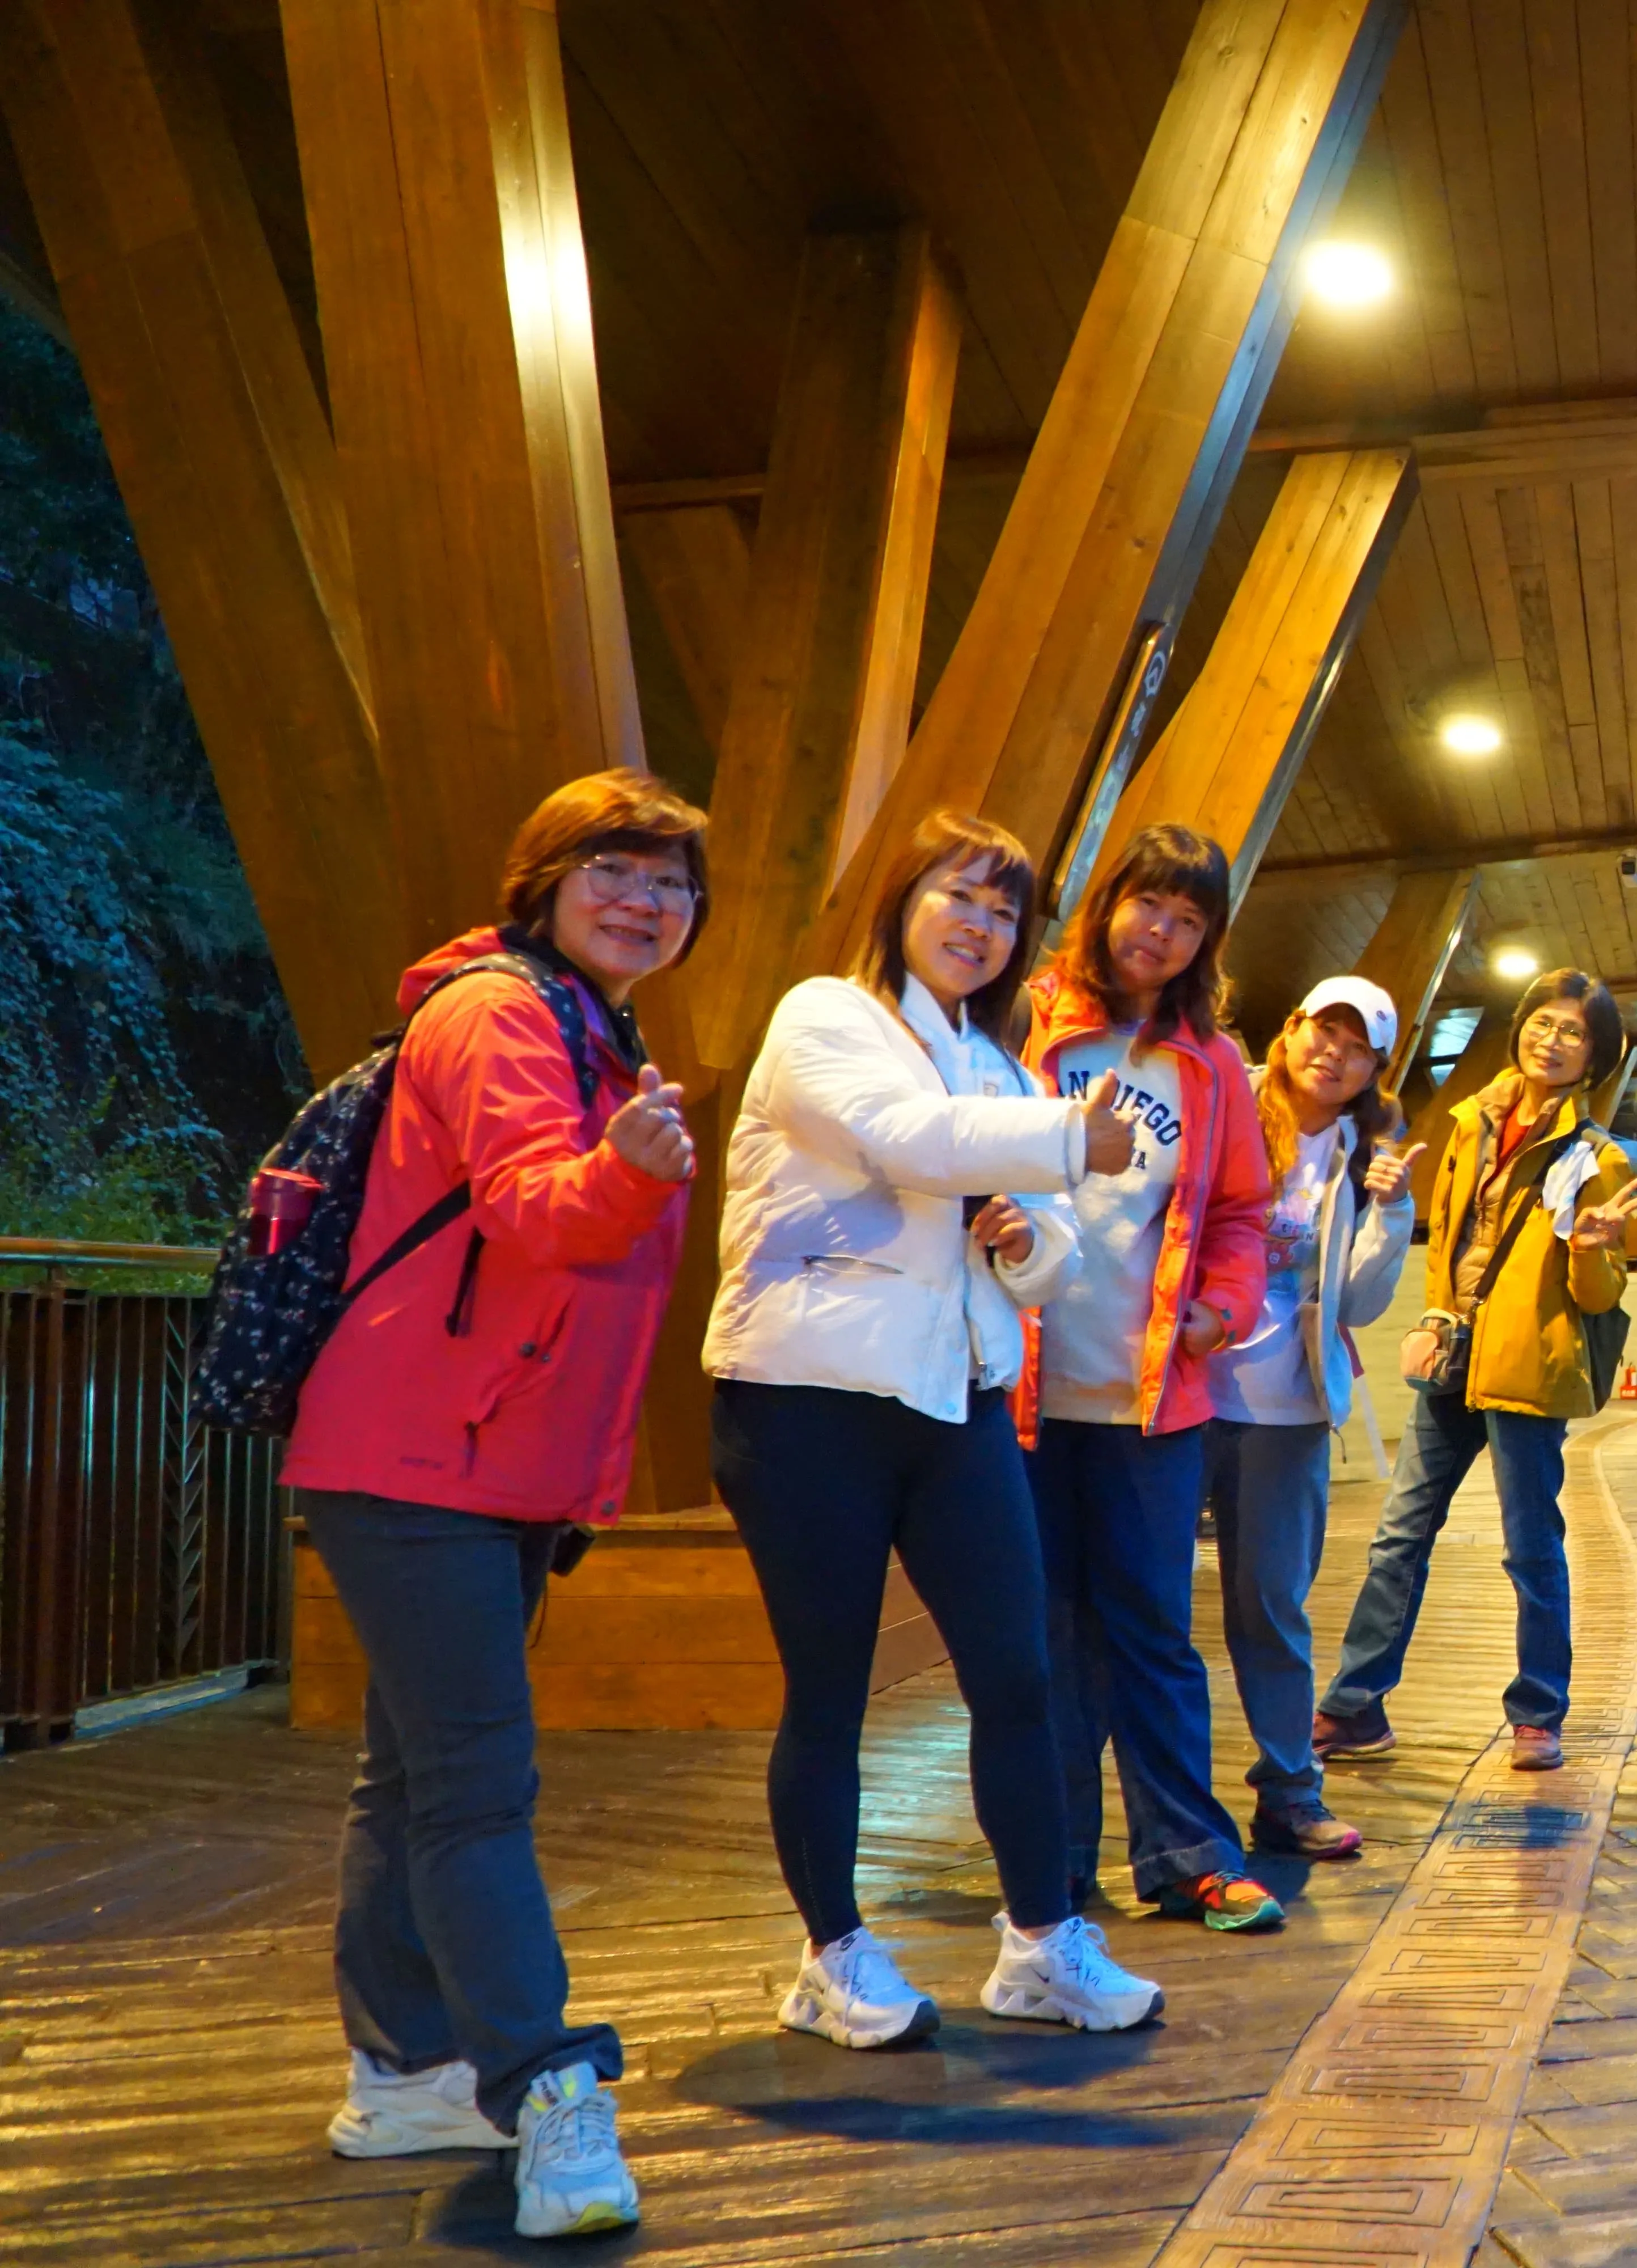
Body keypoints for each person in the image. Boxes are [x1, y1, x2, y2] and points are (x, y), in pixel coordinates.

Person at [285, 769, 710, 2239]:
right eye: (616, 867)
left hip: (473, 1456)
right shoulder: (500, 1012)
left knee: (413, 1779)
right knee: (475, 1784)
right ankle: (543, 2087)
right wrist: (625, 1171)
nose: (645, 899)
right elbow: (535, 1205)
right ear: (545, 879)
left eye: (671, 883)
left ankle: (404, 2069)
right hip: (418, 1454)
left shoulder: (592, 1022)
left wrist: (621, 1161)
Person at [705, 808, 1163, 2056]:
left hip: (953, 1407)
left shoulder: (999, 1064)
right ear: (902, 901)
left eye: (1005, 909)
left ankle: (1038, 1940)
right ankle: (831, 1952)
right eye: (958, 895)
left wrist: (1027, 1239)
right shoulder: (826, 1015)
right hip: (807, 1405)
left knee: (1019, 1674)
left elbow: (1044, 1243)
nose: (980, 924)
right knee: (832, 1691)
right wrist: (1072, 1139)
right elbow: (906, 1141)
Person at [1020, 825, 1279, 1930]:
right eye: (1148, 906)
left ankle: (1186, 1852)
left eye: (1188, 920)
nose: (1160, 933)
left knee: (1155, 1631)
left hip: (1153, 1398)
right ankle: (1052, 1861)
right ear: (1108, 900)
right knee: (1043, 1632)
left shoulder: (1211, 1062)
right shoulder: (1028, 1017)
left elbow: (1239, 1213)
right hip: (1020, 1393)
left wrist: (1225, 1305)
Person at [1313, 969, 1637, 1772]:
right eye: (1545, 1022)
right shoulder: (1470, 1124)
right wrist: (1434, 1316)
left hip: (1529, 1368)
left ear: (1594, 1057)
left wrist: (1592, 1243)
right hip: (1455, 1358)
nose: (1554, 1039)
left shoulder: (1594, 1156)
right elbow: (1454, 1241)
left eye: (1574, 1032)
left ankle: (1539, 1712)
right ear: (1522, 1029)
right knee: (1399, 1536)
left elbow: (1598, 1298)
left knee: (1531, 1546)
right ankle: (1356, 1706)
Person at [1203, 976, 1415, 1861]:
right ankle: (1102, 1810)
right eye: (1321, 1032)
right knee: (1129, 1607)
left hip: (1286, 1408)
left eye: (1356, 1046)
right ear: (1290, 1032)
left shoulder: (1358, 1156)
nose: (1333, 1053)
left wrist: (1391, 1208)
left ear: (1372, 1070)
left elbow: (1358, 1305)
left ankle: (1289, 1793)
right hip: (1175, 1387)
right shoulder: (1220, 1099)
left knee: (1271, 1607)